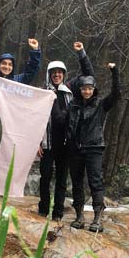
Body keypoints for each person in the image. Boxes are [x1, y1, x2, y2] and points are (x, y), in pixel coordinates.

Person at [38, 41, 94, 221]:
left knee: (61, 180)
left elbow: (88, 75)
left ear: (63, 75)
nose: (57, 75)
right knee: (45, 177)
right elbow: (33, 119)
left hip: (65, 143)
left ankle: (58, 214)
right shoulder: (41, 92)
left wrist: (81, 54)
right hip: (47, 142)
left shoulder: (70, 89)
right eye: (53, 73)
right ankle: (43, 210)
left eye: (59, 73)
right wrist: (36, 142)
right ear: (49, 75)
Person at [67, 63, 121, 232]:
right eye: (84, 89)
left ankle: (97, 218)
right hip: (75, 149)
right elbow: (67, 125)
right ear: (80, 90)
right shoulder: (73, 106)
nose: (87, 92)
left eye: (90, 88)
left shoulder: (100, 105)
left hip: (94, 148)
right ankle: (79, 216)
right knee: (76, 182)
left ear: (94, 90)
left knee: (95, 182)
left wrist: (114, 72)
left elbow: (116, 94)